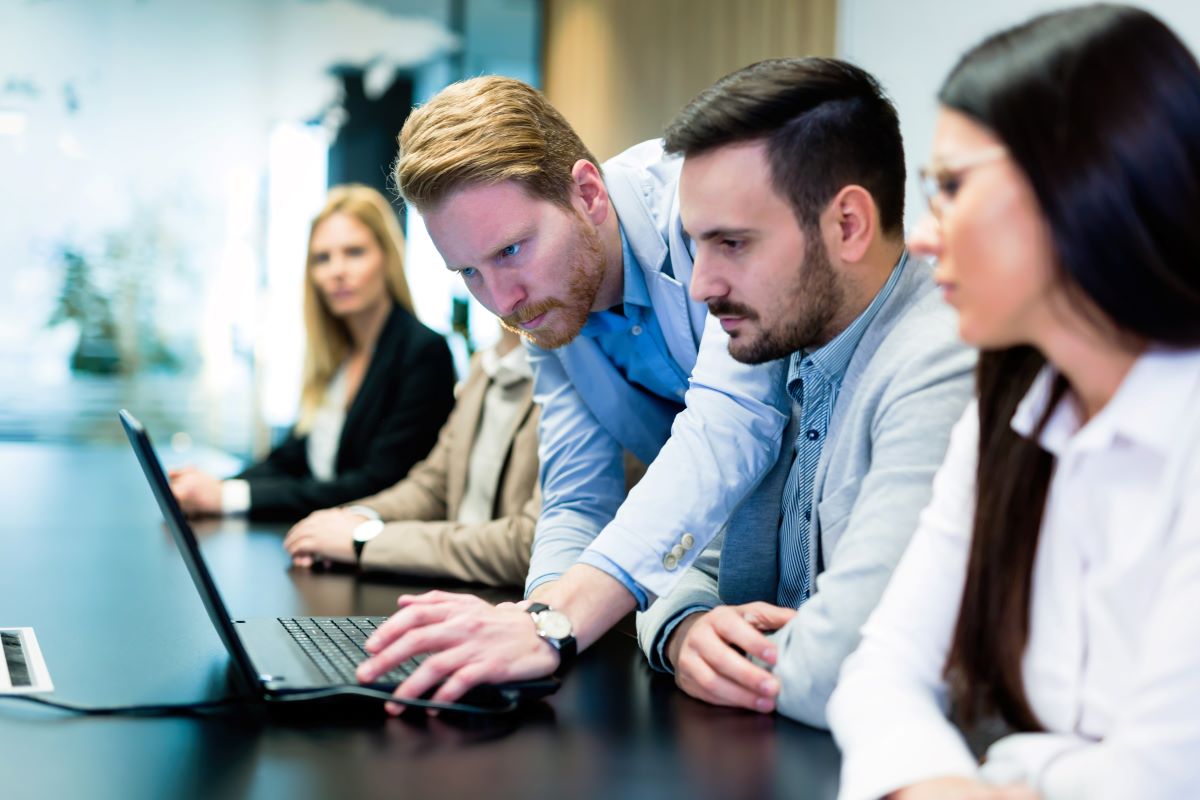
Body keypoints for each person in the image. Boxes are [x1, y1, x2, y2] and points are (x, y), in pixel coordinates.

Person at [827, 6, 1200, 799]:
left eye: (953, 187)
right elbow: (878, 675)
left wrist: (1021, 768)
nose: (925, 235)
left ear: (1085, 174)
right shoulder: (1011, 409)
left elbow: (1162, 777)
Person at [355, 76, 789, 709]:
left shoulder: (706, 220)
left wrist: (554, 623)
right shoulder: (547, 307)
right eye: (468, 271)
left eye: (511, 250)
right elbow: (577, 499)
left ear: (587, 193)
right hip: (710, 614)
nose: (501, 301)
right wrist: (535, 620)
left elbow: (728, 432)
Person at [635, 58, 974, 726]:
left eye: (732, 242)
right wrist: (685, 630)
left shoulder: (943, 359)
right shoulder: (774, 342)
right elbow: (669, 558)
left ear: (847, 225)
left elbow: (847, 668)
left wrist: (733, 658)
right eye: (695, 245)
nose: (701, 286)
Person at [169, 184, 456, 522]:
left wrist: (229, 496)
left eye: (354, 252)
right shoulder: (339, 355)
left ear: (386, 258)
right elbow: (293, 457)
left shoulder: (423, 352)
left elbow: (377, 484)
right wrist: (212, 487)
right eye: (322, 258)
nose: (336, 271)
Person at [281, 325, 540, 586]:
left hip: (511, 601)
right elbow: (433, 486)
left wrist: (365, 539)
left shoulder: (565, 380)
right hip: (458, 589)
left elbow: (529, 544)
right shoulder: (484, 368)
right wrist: (358, 517)